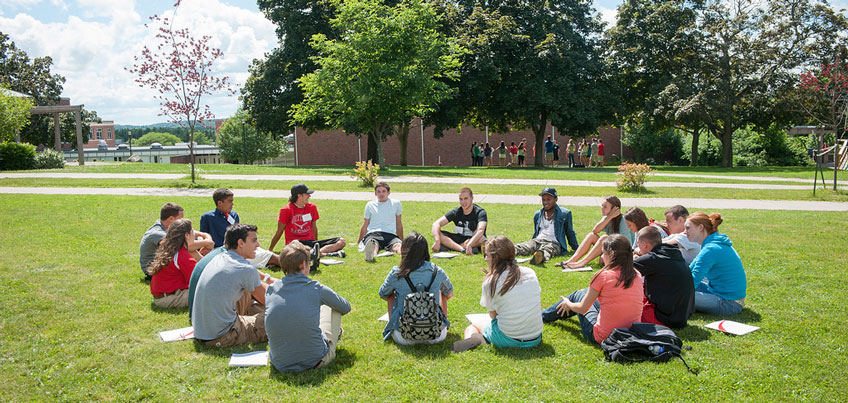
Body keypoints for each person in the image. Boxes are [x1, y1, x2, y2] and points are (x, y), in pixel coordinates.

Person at [265, 241, 351, 372]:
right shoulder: (316, 289)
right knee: (331, 308)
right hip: (314, 360)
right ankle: (333, 334)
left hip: (280, 363)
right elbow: (345, 307)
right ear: (303, 265)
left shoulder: (271, 290)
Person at [452, 236, 543, 352]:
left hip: (509, 337)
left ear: (495, 257)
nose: (485, 259)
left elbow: (493, 316)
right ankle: (484, 339)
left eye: (487, 255)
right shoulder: (530, 272)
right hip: (535, 337)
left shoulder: (491, 282)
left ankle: (476, 340)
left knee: (473, 327)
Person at [192, 223, 275, 347]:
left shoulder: (220, 257)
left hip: (202, 331)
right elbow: (270, 300)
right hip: (224, 335)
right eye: (254, 241)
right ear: (241, 243)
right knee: (280, 316)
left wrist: (268, 279)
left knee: (253, 296)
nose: (258, 245)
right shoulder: (244, 269)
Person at [378, 232, 453, 345]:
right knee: (442, 291)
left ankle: (393, 325)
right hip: (436, 336)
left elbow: (383, 294)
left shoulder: (397, 273)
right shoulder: (437, 271)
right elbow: (449, 294)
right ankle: (442, 325)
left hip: (404, 336)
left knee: (390, 294)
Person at [268, 184, 346, 268]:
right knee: (300, 248)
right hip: (295, 242)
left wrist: (316, 242)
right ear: (299, 195)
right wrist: (270, 250)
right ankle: (323, 253)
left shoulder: (312, 207)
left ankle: (316, 253)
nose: (309, 196)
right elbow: (279, 231)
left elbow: (314, 227)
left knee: (341, 241)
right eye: (307, 194)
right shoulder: (286, 210)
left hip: (310, 242)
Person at [684, 212, 747, 316]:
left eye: (688, 228)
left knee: (678, 296)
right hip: (720, 293)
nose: (685, 232)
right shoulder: (712, 244)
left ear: (700, 227)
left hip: (729, 303)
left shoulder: (711, 249)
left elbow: (693, 280)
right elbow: (690, 272)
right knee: (676, 289)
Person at [200, 188, 279, 268]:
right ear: (220, 203)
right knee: (271, 258)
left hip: (240, 247)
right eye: (230, 201)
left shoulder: (234, 215)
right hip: (225, 253)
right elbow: (203, 237)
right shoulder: (208, 217)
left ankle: (287, 263)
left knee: (269, 254)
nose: (232, 204)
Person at [633, 226, 695, 328]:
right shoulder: (673, 253)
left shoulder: (654, 258)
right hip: (682, 316)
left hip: (665, 319)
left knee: (628, 307)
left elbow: (622, 269)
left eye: (638, 245)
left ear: (645, 245)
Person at [558, 196, 634, 269]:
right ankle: (571, 261)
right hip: (611, 248)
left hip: (622, 252)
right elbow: (595, 231)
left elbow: (627, 244)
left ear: (614, 209)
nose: (602, 208)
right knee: (591, 235)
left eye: (605, 207)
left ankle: (581, 263)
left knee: (605, 239)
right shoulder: (607, 218)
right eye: (602, 205)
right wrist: (609, 217)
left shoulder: (623, 221)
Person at [514, 187, 580, 265]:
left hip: (554, 243)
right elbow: (536, 232)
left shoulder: (564, 213)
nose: (545, 202)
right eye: (543, 199)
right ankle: (502, 253)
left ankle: (540, 257)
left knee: (547, 250)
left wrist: (577, 248)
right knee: (522, 247)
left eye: (548, 199)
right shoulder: (538, 214)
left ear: (556, 199)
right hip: (538, 240)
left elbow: (569, 232)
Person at [147, 219, 197, 308]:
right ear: (186, 235)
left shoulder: (168, 249)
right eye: (192, 231)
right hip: (169, 298)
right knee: (209, 293)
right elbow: (197, 280)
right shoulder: (182, 255)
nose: (194, 234)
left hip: (162, 297)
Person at [431, 188, 487, 255]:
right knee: (439, 233)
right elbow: (436, 224)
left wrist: (469, 244)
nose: (463, 202)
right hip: (459, 238)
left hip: (473, 239)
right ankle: (462, 249)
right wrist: (437, 240)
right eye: (461, 199)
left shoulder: (480, 212)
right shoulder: (457, 211)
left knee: (482, 238)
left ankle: (453, 246)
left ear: (472, 198)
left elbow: (480, 230)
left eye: (466, 198)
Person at [357, 181, 404, 261]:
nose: (381, 194)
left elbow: (398, 223)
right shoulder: (370, 205)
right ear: (375, 193)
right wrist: (359, 241)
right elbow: (365, 224)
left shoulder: (396, 203)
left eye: (383, 191)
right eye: (378, 192)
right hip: (373, 234)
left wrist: (402, 240)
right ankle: (371, 255)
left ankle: (404, 255)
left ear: (388, 192)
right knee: (373, 245)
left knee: (398, 246)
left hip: (390, 235)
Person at [140, 202, 184, 279]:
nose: (182, 221)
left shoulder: (166, 226)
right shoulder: (157, 233)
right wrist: (206, 242)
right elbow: (181, 245)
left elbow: (190, 233)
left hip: (163, 264)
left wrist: (203, 237)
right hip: (152, 270)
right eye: (180, 219)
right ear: (171, 219)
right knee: (184, 250)